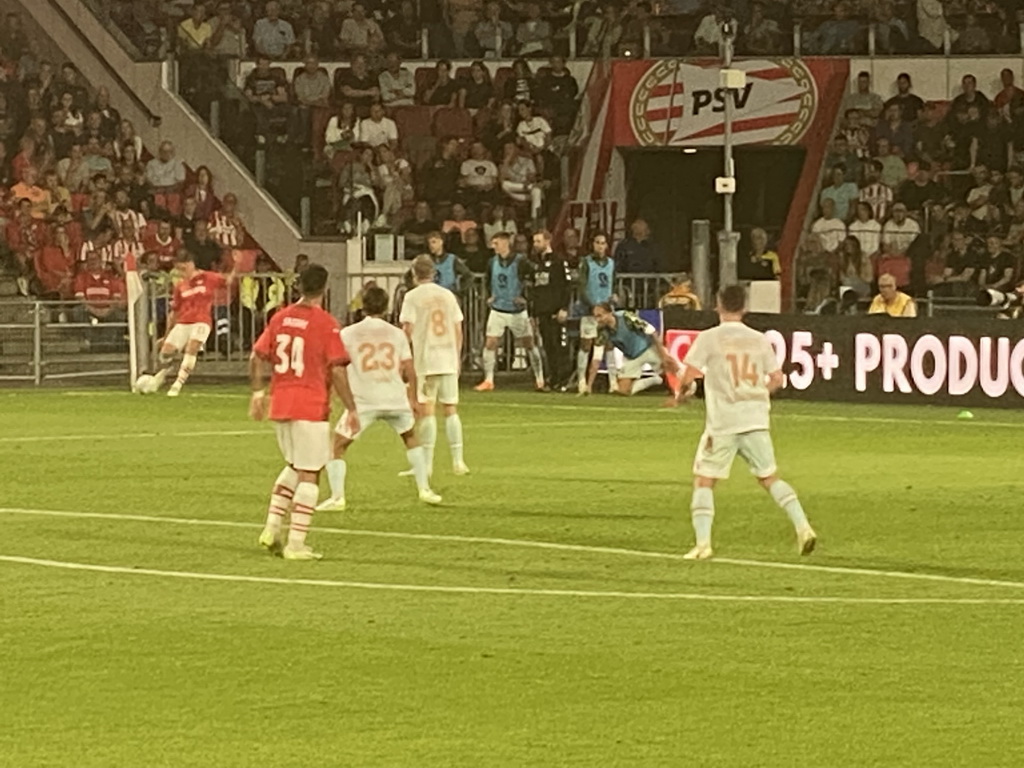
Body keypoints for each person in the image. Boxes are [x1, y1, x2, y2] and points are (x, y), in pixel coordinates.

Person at [675, 284, 817, 560]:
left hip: (723, 423)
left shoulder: (709, 337)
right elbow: (777, 379)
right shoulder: (759, 339)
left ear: (718, 304)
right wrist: (758, 393)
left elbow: (689, 374)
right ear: (744, 307)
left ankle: (703, 544)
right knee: (769, 477)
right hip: (755, 419)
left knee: (704, 480)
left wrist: (682, 395)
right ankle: (803, 527)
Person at [250, 264, 358, 561]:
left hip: (281, 403)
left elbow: (257, 356)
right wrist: (351, 407)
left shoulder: (280, 317)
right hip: (310, 405)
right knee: (311, 473)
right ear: (325, 287)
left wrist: (258, 393)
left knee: (295, 466)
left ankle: (272, 528)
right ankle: (296, 544)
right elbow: (336, 369)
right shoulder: (326, 323)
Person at [317, 285, 442, 512]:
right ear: (387, 307)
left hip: (364, 400)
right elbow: (409, 368)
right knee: (411, 438)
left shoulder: (348, 333)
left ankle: (337, 497)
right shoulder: (397, 334)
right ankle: (425, 489)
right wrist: (413, 398)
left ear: (362, 306)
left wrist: (333, 395)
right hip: (394, 397)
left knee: (337, 447)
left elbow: (337, 367)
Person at [398, 255, 470, 478]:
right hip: (447, 357)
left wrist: (401, 357)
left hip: (426, 359)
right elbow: (458, 328)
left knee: (427, 409)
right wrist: (457, 357)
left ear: (413, 273)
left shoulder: (412, 296)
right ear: (433, 272)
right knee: (450, 409)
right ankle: (458, 462)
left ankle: (426, 465)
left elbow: (406, 329)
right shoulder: (447, 295)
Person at [150, 251, 236, 397]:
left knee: (192, 347)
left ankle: (177, 384)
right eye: (179, 270)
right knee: (165, 352)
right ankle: (166, 372)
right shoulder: (181, 286)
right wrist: (166, 334)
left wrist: (236, 267)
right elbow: (174, 312)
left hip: (202, 321)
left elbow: (227, 281)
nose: (181, 273)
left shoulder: (208, 277)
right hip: (183, 322)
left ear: (191, 264)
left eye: (183, 269)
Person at [476, 232, 545, 391]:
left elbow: (538, 277)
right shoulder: (492, 262)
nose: (494, 247)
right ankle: (488, 380)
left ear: (506, 243)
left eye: (496, 243)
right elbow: (488, 280)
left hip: (517, 311)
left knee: (529, 344)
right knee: (490, 343)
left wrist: (527, 298)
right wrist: (489, 296)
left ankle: (539, 378)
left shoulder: (521, 261)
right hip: (498, 309)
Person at [585, 302, 675, 396]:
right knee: (623, 391)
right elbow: (596, 359)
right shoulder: (602, 331)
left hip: (649, 348)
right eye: (595, 317)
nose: (598, 320)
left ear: (610, 313)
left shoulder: (625, 316)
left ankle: (664, 380)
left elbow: (652, 332)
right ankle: (654, 380)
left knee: (675, 381)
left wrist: (664, 355)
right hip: (631, 357)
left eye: (600, 316)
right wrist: (589, 386)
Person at [531, 230, 572, 390]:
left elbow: (567, 286)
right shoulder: (537, 264)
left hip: (556, 311)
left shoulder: (559, 261)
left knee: (559, 346)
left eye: (538, 241)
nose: (535, 245)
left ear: (548, 241)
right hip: (543, 311)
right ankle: (553, 378)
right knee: (548, 346)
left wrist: (563, 307)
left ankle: (563, 379)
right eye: (534, 241)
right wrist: (534, 313)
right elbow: (537, 290)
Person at [576, 232, 615, 393]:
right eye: (597, 242)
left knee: (609, 345)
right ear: (592, 244)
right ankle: (581, 380)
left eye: (603, 243)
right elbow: (582, 286)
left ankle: (613, 382)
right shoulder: (586, 262)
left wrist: (613, 297)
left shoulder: (611, 263)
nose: (600, 246)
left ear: (606, 245)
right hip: (590, 310)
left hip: (606, 311)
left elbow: (613, 283)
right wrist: (591, 305)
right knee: (586, 345)